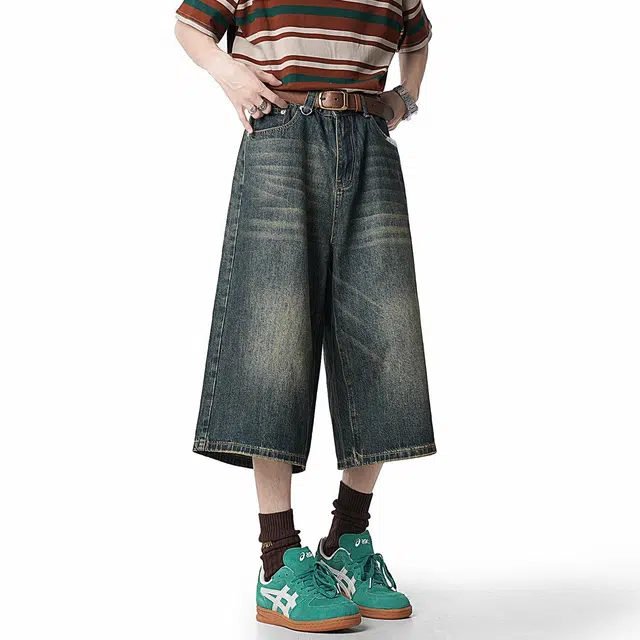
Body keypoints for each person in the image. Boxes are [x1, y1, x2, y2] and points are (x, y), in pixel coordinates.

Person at [175, 0, 436, 632]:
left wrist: (405, 100)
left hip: (370, 143)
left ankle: (348, 538)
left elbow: (419, 37)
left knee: (383, 337)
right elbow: (190, 25)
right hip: (280, 140)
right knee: (274, 335)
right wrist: (230, 74)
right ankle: (277, 559)